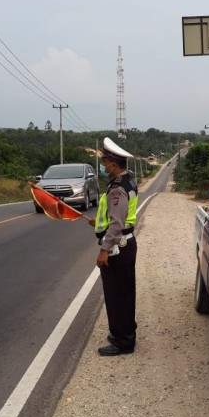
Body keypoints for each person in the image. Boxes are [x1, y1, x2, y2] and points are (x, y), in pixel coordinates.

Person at [92, 137, 139, 356]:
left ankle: (123, 342)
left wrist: (104, 250)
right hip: (127, 243)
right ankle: (124, 331)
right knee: (125, 291)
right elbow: (117, 215)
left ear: (114, 164)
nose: (102, 166)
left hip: (117, 247)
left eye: (104, 162)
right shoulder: (127, 179)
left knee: (117, 294)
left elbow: (117, 223)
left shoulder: (117, 188)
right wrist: (98, 222)